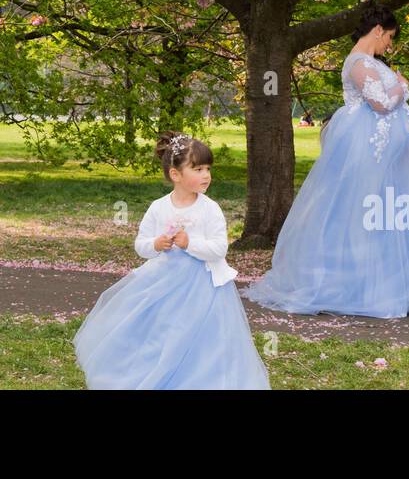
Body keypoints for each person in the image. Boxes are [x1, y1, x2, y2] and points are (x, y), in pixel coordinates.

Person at [242, 4, 409, 318]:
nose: (389, 45)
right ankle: (352, 284)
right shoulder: (358, 63)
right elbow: (381, 104)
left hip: (384, 155)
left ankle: (391, 282)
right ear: (378, 30)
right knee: (359, 210)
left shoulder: (371, 62)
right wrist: (401, 86)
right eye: (390, 37)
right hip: (365, 149)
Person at [73, 132, 270, 389]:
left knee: (197, 335)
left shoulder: (209, 208)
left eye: (208, 169)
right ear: (176, 175)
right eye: (198, 169)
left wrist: (191, 244)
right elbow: (141, 244)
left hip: (203, 286)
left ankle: (198, 378)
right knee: (164, 330)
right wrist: (156, 244)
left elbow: (219, 249)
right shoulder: (159, 207)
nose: (206, 175)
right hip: (164, 281)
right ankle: (154, 370)